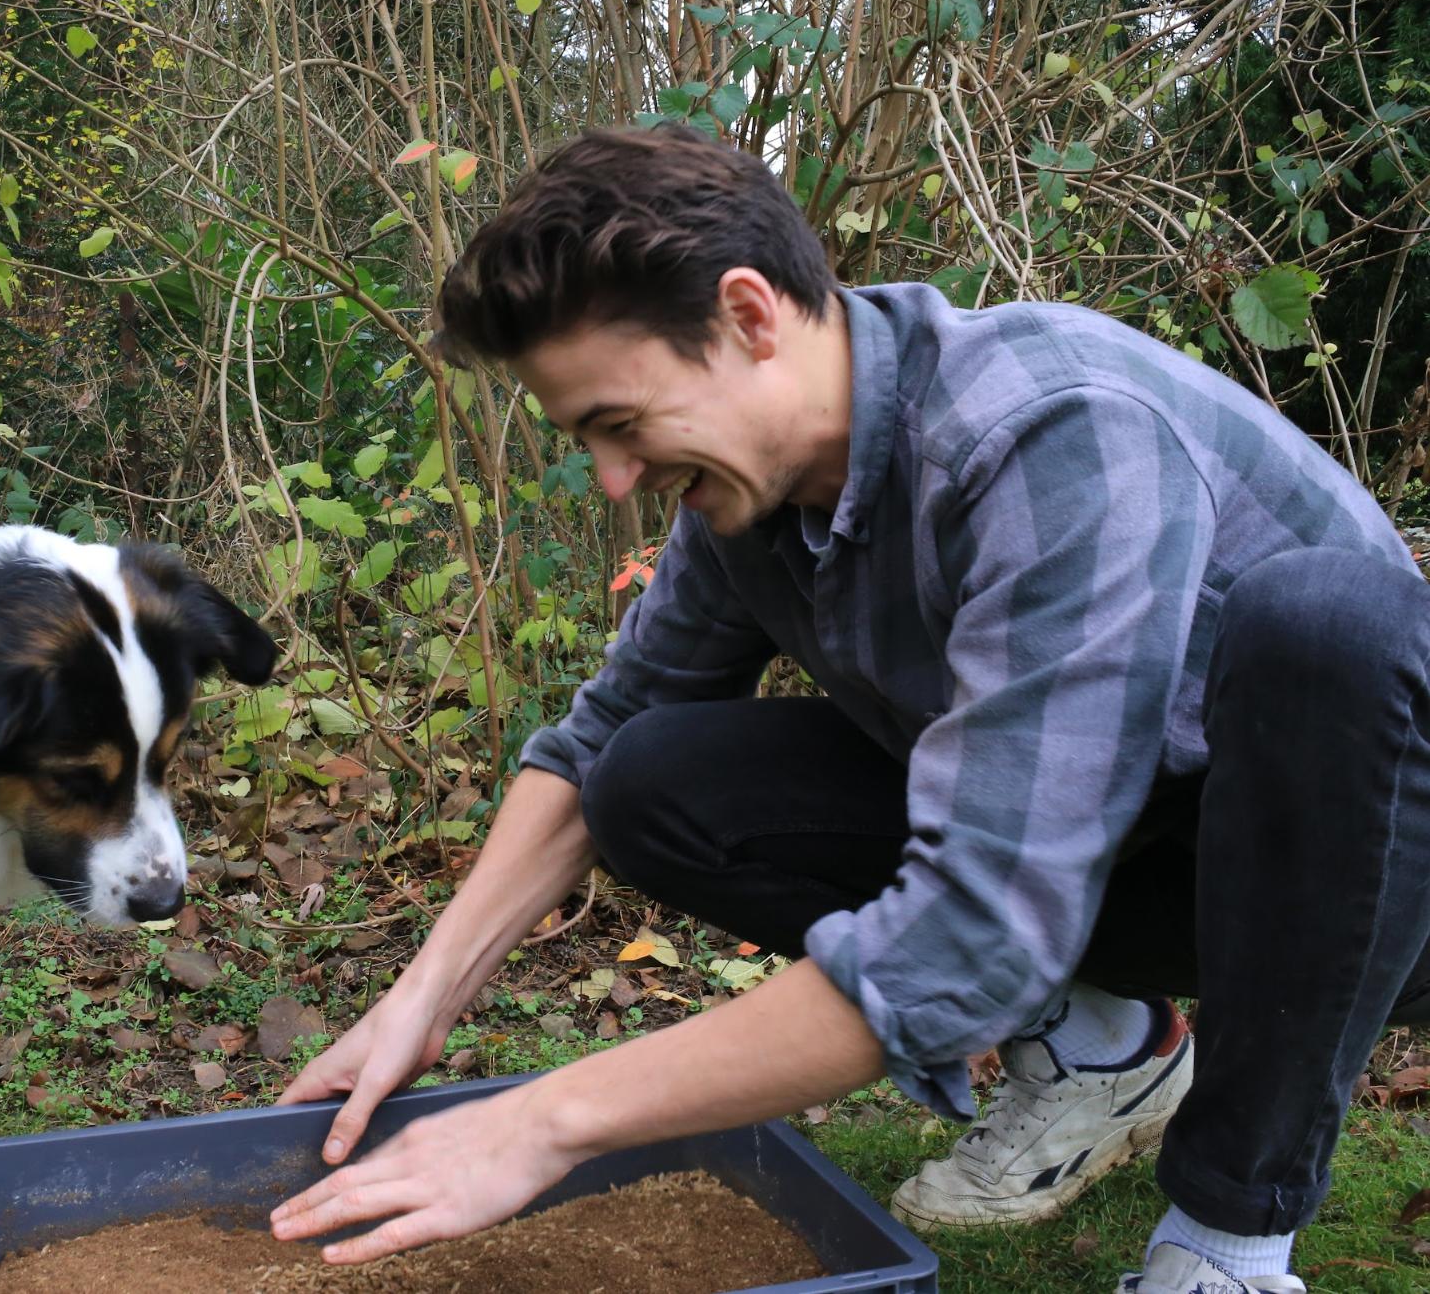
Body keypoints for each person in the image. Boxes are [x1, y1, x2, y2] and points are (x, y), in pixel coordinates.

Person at [267, 122, 1430, 1294]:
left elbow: (973, 927)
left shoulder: (1048, 428)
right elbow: (601, 734)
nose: (613, 479)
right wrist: (423, 995)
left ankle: (1227, 1244)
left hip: (1363, 890)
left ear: (750, 316)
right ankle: (1099, 1054)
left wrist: (541, 1120)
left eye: (620, 425)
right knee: (652, 778)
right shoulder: (749, 496)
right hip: (1117, 859)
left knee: (1329, 619)